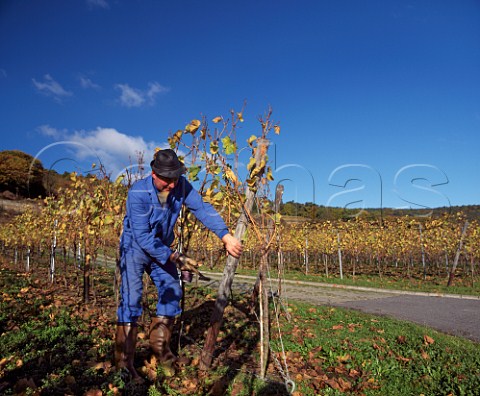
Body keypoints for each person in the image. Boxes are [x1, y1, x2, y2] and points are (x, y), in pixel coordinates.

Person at [114, 149, 242, 382]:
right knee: (132, 299)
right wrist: (174, 257)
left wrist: (225, 235)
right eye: (167, 179)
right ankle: (124, 364)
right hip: (134, 248)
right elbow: (143, 238)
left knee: (172, 291)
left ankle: (162, 353)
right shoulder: (138, 193)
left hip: (162, 247)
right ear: (154, 174)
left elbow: (202, 208)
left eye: (175, 178)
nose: (172, 184)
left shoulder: (181, 185)